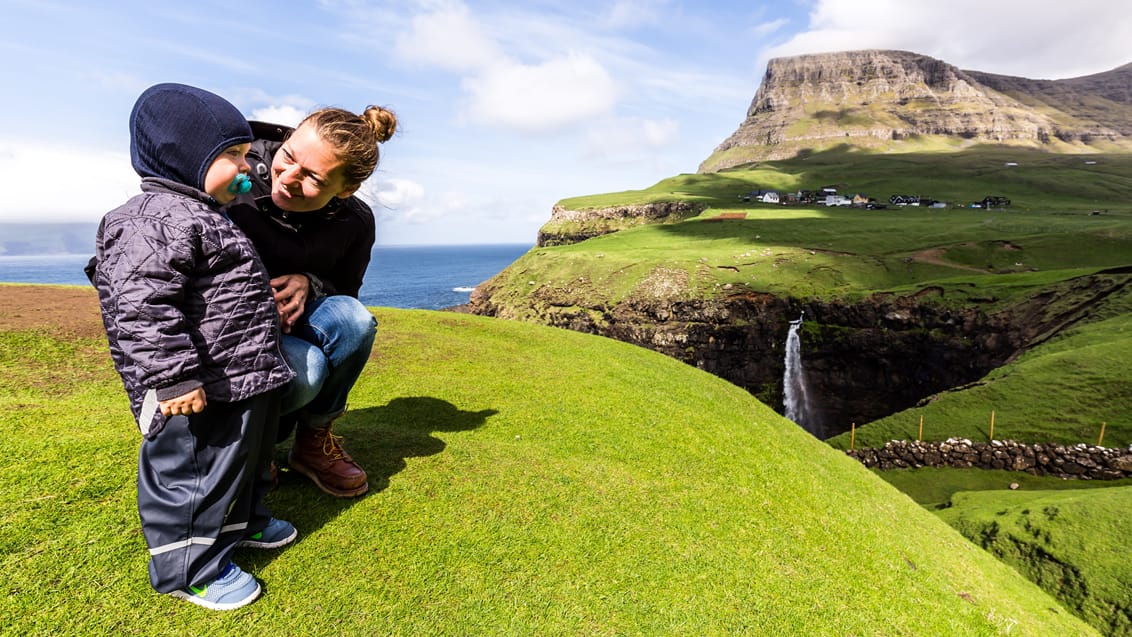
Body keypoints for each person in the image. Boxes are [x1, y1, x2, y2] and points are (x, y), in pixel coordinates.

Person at [86, 83, 297, 610]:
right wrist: (174, 377)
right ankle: (188, 567)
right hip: (195, 384)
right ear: (184, 155)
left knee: (242, 459)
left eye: (247, 155)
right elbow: (140, 306)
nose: (249, 168)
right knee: (193, 471)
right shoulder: (149, 219)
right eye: (232, 155)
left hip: (242, 375)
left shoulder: (201, 214)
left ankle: (242, 523)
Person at [228, 105, 397, 498]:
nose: (286, 178)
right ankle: (253, 444)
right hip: (230, 325)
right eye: (288, 157)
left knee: (354, 320)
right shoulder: (232, 174)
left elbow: (347, 292)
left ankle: (313, 441)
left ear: (345, 189)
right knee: (308, 372)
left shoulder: (355, 220)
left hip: (292, 324)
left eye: (313, 178)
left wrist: (311, 282)